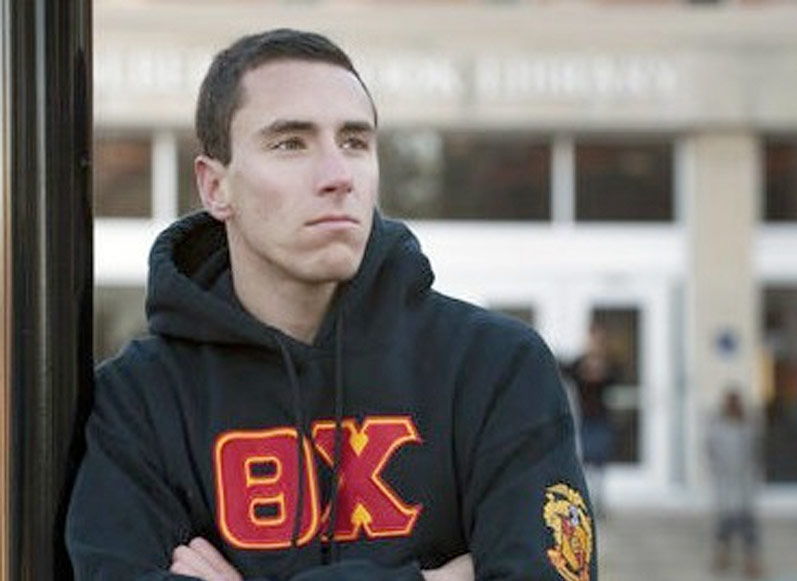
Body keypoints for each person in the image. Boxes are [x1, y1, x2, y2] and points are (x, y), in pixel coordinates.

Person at [66, 29, 595, 581]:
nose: (338, 176)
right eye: (290, 144)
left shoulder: (494, 366)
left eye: (354, 142)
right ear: (215, 187)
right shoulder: (141, 399)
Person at [705, 389, 763, 579]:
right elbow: (711, 452)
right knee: (724, 523)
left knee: (748, 525)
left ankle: (751, 561)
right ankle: (722, 557)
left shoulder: (748, 428)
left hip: (744, 483)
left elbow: (754, 454)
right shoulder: (718, 428)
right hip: (725, 483)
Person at [562, 324, 618, 516]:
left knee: (600, 460)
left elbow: (614, 377)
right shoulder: (580, 363)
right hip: (584, 419)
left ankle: (598, 499)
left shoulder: (608, 363)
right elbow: (567, 371)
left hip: (601, 418)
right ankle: (585, 500)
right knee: (585, 460)